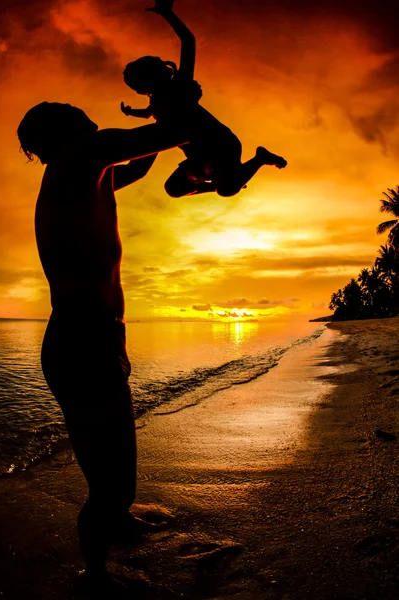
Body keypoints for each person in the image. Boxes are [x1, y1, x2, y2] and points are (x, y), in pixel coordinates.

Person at [17, 101, 198, 596]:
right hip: (83, 341)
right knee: (114, 483)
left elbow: (138, 159)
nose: (92, 119)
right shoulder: (79, 156)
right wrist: (173, 109)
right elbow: (159, 135)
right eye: (79, 114)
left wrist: (162, 126)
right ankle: (94, 577)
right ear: (64, 131)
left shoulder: (79, 172)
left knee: (111, 466)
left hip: (89, 337)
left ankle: (113, 522)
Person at [121, 0, 287, 198]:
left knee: (227, 189)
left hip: (219, 144)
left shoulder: (181, 84)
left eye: (140, 82)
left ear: (153, 76)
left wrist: (167, 13)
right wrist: (131, 112)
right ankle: (221, 183)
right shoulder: (156, 102)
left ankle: (259, 159)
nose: (141, 89)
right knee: (173, 189)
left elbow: (188, 42)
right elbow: (149, 114)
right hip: (197, 156)